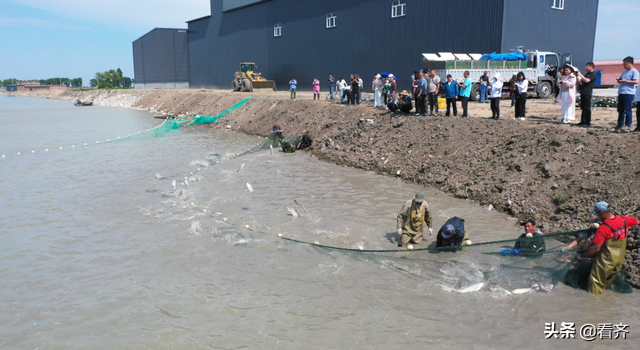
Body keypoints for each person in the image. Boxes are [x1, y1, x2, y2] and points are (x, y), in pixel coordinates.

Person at [577, 201, 638, 295]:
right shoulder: (625, 220)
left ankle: (593, 305)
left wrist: (582, 256)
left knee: (595, 286)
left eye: (597, 213)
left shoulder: (603, 228)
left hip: (605, 262)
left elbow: (595, 248)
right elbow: (637, 221)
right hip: (618, 261)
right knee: (605, 282)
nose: (597, 216)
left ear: (602, 213)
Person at [615, 56, 639, 132]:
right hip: (621, 92)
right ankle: (620, 124)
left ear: (630, 63)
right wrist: (619, 81)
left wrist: (625, 81)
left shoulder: (634, 71)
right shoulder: (624, 71)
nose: (624, 66)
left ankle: (628, 124)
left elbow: (636, 81)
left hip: (628, 93)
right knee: (620, 110)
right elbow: (621, 79)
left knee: (628, 109)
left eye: (625, 64)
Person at [576, 62, 597, 127]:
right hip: (583, 92)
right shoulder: (587, 74)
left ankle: (587, 122)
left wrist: (580, 74)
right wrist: (577, 75)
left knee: (587, 108)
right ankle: (583, 121)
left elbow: (587, 80)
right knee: (583, 107)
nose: (586, 68)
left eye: (587, 67)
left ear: (591, 67)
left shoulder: (593, 74)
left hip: (587, 93)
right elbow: (581, 81)